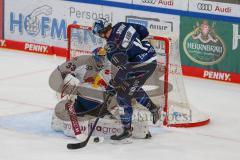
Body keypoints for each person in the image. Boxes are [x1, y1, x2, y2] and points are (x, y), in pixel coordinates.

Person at [92, 18, 161, 141]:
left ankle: (127, 129)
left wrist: (114, 85)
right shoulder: (121, 25)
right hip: (150, 55)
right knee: (132, 88)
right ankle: (154, 109)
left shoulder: (111, 49)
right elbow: (144, 31)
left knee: (122, 96)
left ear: (101, 33)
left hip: (141, 67)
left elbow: (125, 70)